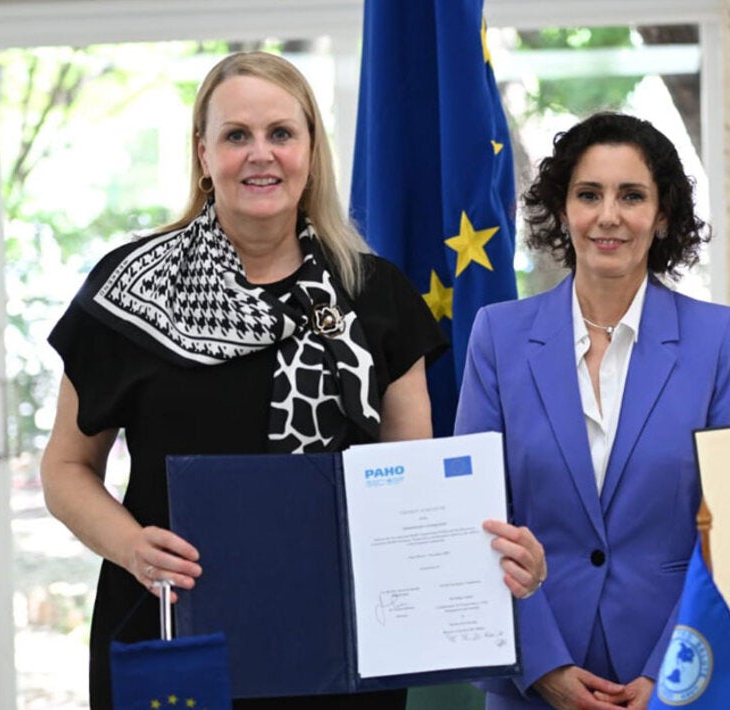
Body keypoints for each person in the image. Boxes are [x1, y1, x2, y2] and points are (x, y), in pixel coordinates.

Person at [40, 51, 546, 710]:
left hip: (339, 648)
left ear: (311, 150)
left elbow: (415, 492)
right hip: (175, 638)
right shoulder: (129, 293)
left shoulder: (375, 295)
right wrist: (132, 547)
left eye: (281, 133)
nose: (261, 154)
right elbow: (65, 468)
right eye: (236, 135)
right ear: (202, 153)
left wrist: (498, 563)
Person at [453, 112, 730, 710]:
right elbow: (479, 518)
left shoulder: (717, 339)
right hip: (534, 681)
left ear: (664, 213)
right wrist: (543, 666)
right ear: (563, 209)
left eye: (632, 196)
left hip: (677, 677)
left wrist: (669, 671)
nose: (609, 216)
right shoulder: (499, 336)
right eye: (588, 194)